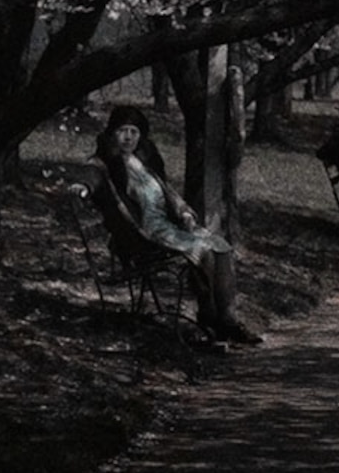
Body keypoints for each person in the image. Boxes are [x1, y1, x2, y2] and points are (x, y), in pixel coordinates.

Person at [92, 103, 259, 343]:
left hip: (167, 226)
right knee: (203, 251)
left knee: (221, 246)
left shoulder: (143, 162)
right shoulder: (105, 163)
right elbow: (87, 174)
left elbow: (167, 193)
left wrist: (184, 213)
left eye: (134, 132)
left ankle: (228, 320)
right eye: (123, 130)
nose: (128, 137)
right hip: (145, 233)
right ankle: (210, 317)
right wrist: (81, 186)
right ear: (111, 133)